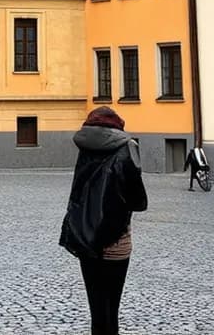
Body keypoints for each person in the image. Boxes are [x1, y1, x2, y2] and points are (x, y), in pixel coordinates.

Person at [59, 107, 149, 335]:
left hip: (86, 239)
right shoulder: (127, 148)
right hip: (117, 241)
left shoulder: (85, 149)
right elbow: (139, 201)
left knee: (97, 312)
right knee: (112, 310)